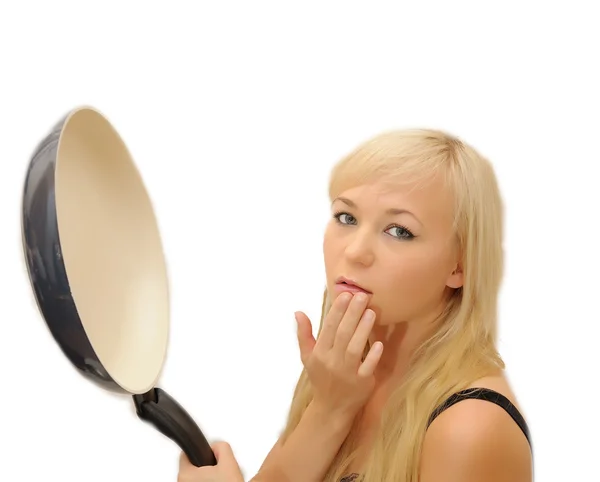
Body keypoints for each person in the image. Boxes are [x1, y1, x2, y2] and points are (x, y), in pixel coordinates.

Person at [177, 129, 533, 482]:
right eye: (346, 217)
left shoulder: (469, 428)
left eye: (399, 231)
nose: (355, 251)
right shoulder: (340, 373)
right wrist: (330, 408)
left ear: (460, 265)